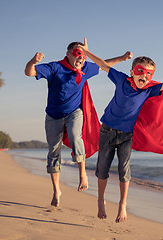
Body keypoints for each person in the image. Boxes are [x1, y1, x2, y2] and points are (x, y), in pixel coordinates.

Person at [81, 38, 163, 223]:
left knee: (124, 169)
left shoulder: (149, 90)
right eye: (140, 71)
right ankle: (100, 200)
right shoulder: (121, 79)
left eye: (148, 74)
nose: (144, 76)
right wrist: (88, 53)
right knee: (103, 168)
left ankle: (122, 204)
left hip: (127, 136)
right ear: (132, 72)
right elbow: (102, 65)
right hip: (106, 131)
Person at [24, 40, 132, 207]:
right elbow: (29, 73)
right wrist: (33, 61)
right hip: (53, 116)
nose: (81, 58)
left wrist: (123, 58)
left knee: (76, 136)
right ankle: (56, 190)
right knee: (53, 152)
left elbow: (104, 64)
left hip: (75, 112)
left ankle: (82, 174)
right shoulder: (55, 67)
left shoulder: (86, 68)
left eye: (83, 55)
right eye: (77, 54)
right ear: (68, 54)